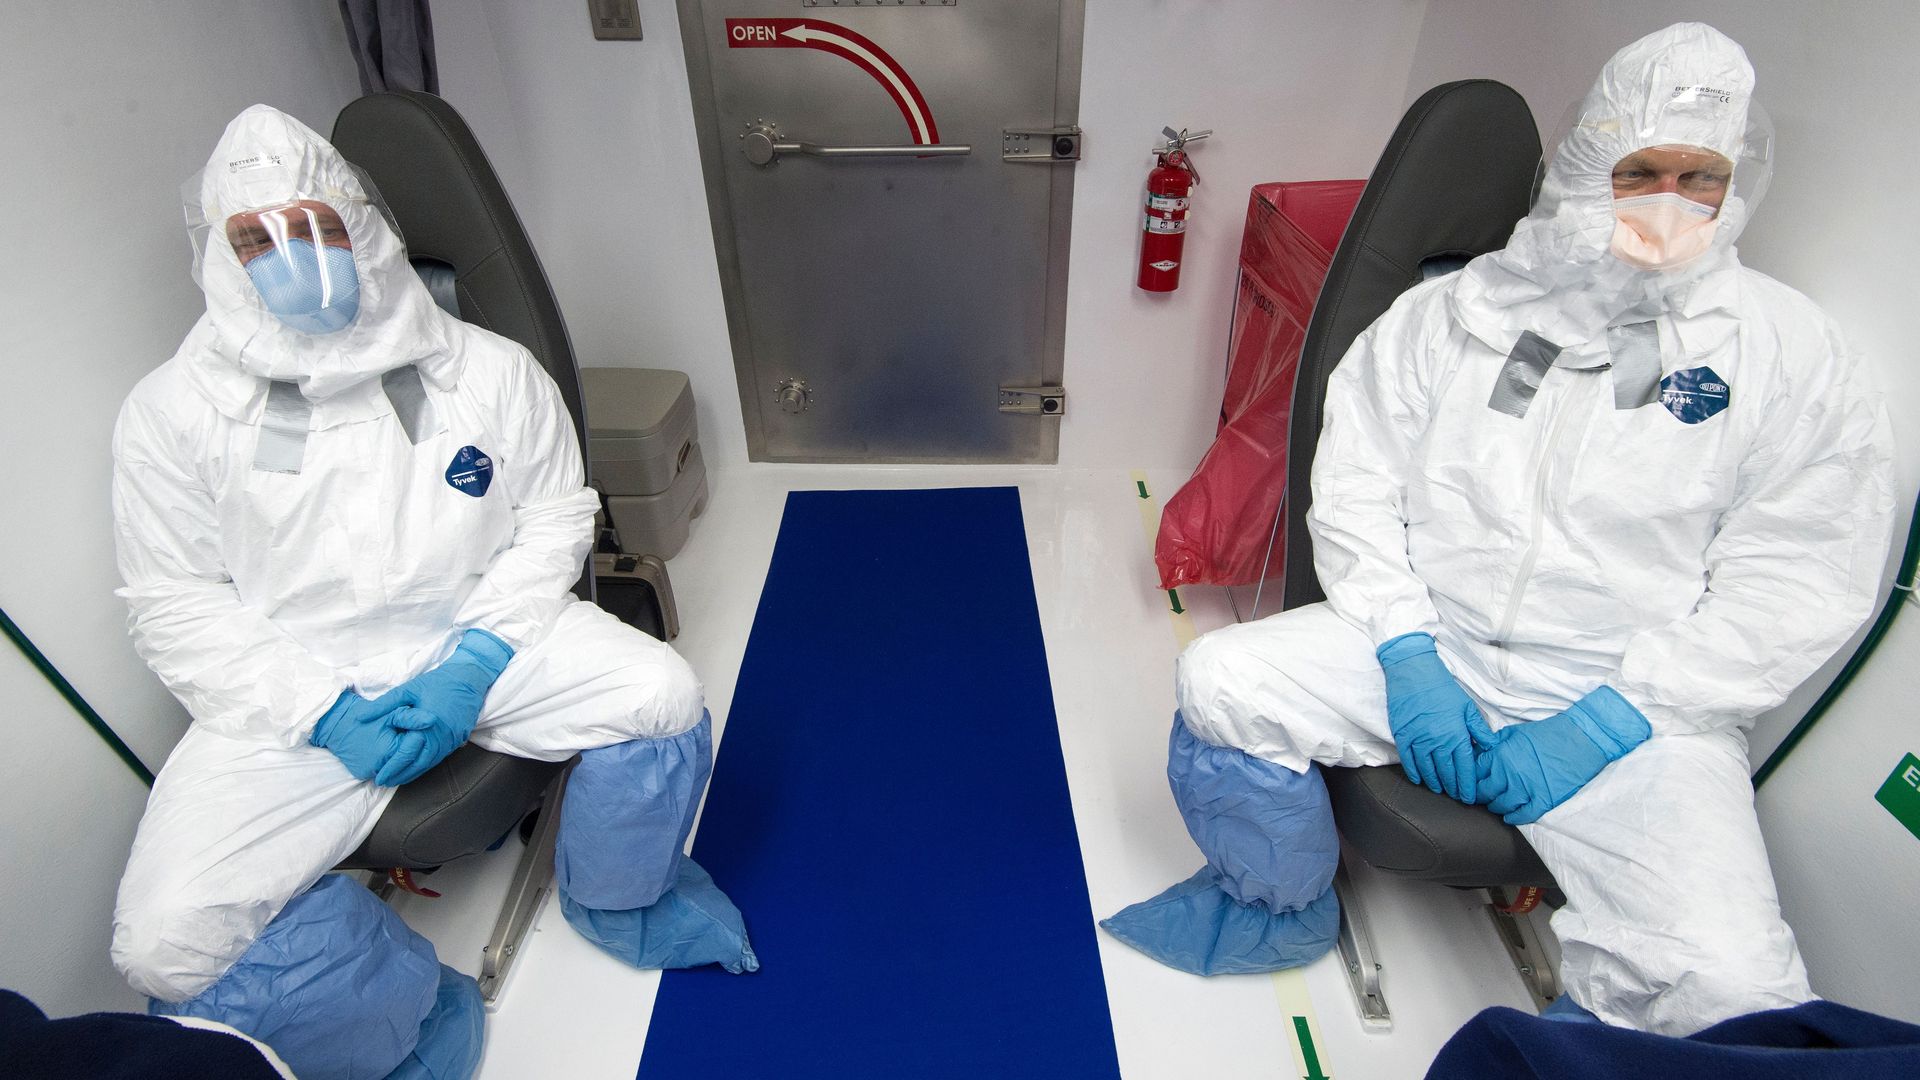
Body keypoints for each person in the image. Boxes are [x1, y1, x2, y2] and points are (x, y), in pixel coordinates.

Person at [1103, 22, 1895, 1037]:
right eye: (1638, 169)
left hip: (1631, 702)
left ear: (1738, 186)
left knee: (1728, 988)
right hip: (1434, 640)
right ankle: (1279, 908)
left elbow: (1797, 575)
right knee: (1222, 683)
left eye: (1699, 177)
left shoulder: (1793, 358)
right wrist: (1404, 648)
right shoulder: (1455, 318)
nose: (1666, 203)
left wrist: (1614, 718)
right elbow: (1353, 487)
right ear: (1581, 168)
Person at [109, 105, 755, 1080]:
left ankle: (619, 896)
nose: (294, 259)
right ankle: (410, 1014)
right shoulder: (172, 416)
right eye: (256, 240)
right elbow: (177, 601)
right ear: (219, 256)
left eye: (316, 229)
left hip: (474, 642)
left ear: (362, 229)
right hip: (292, 692)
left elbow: (554, 518)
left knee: (662, 698)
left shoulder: (488, 374)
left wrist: (478, 661)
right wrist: (323, 709)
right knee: (166, 941)